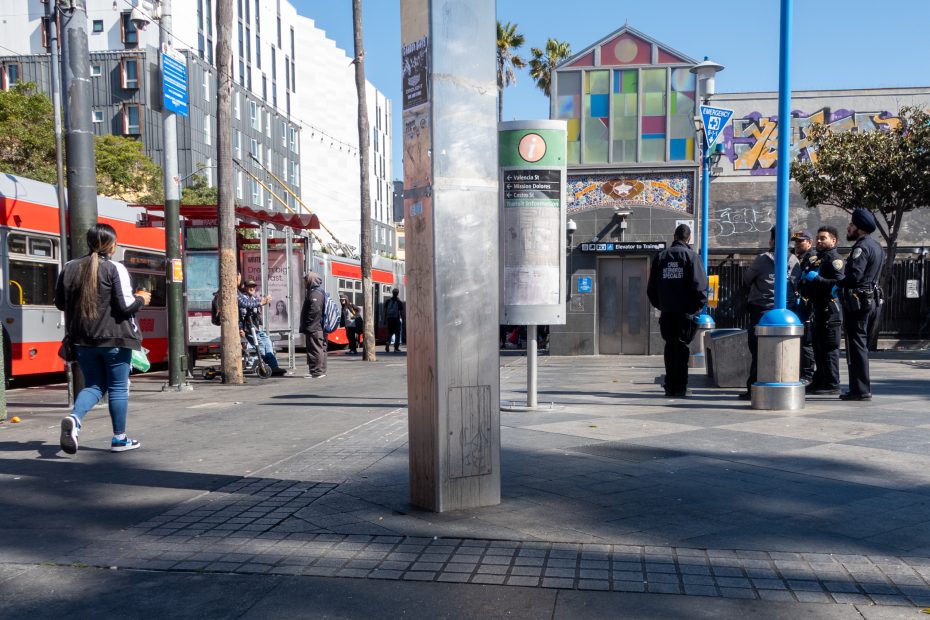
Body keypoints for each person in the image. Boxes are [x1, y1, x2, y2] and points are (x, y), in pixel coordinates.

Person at [55, 223, 152, 454]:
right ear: (112, 245)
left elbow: (60, 303)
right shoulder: (114, 268)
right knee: (118, 387)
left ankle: (75, 418)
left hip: (82, 340)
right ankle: (119, 438)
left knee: (94, 385)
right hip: (116, 339)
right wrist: (141, 299)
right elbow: (126, 306)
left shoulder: (69, 267)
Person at [646, 224, 708, 398]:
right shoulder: (692, 257)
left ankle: (669, 386)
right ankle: (680, 386)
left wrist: (661, 305)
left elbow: (651, 289)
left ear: (674, 236)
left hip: (667, 312)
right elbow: (701, 287)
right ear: (688, 238)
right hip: (685, 312)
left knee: (670, 347)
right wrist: (696, 308)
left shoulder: (660, 257)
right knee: (682, 348)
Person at [740, 228, 800, 400]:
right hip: (788, 313)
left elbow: (747, 279)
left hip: (762, 310)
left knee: (757, 350)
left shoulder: (763, 259)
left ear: (772, 241)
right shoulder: (795, 260)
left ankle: (754, 387)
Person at [839, 208, 884, 401]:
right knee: (861, 344)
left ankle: (860, 389)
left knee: (856, 345)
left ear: (859, 228)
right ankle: (859, 388)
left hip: (858, 301)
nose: (848, 228)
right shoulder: (877, 246)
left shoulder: (861, 247)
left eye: (851, 225)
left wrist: (837, 281)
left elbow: (855, 275)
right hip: (870, 299)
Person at [799, 226, 845, 395]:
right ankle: (820, 380)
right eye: (818, 238)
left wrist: (817, 279)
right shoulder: (817, 259)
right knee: (818, 346)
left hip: (830, 308)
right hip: (817, 307)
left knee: (829, 347)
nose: (819, 241)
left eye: (823, 238)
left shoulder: (835, 259)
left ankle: (832, 383)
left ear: (833, 241)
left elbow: (838, 283)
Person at [240, 279, 286, 376]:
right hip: (248, 329)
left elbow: (258, 305)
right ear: (245, 287)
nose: (252, 288)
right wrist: (240, 328)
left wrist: (265, 301)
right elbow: (242, 314)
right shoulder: (243, 299)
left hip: (256, 328)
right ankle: (265, 367)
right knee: (261, 346)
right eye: (249, 286)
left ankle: (274, 367)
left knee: (268, 343)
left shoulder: (253, 298)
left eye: (253, 286)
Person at [790, 230, 816, 385]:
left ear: (809, 242)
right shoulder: (796, 258)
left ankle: (807, 374)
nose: (797, 244)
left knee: (807, 341)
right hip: (798, 303)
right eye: (796, 241)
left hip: (807, 304)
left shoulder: (811, 259)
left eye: (801, 241)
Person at [299, 272, 327, 378]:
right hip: (318, 326)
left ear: (310, 280)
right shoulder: (318, 292)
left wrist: (309, 324)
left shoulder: (315, 293)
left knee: (315, 349)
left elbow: (315, 310)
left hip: (314, 327)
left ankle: (316, 371)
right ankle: (319, 371)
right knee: (319, 348)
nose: (304, 283)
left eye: (305, 280)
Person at [383, 288, 404, 353]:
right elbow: (401, 312)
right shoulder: (399, 301)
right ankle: (396, 348)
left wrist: (385, 320)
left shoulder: (388, 301)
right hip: (396, 319)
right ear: (397, 293)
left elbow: (385, 311)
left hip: (389, 319)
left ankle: (388, 342)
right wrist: (403, 320)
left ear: (392, 293)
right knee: (397, 334)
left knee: (390, 333)